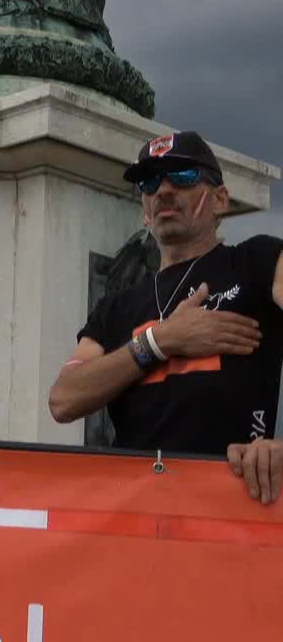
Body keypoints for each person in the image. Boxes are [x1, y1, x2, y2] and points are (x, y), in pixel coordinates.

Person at [49, 131, 283, 504]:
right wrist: (159, 342)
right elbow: (64, 400)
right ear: (144, 207)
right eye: (151, 181)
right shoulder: (117, 306)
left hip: (234, 506)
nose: (164, 191)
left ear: (220, 199)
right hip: (134, 515)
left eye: (184, 177)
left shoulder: (255, 262)